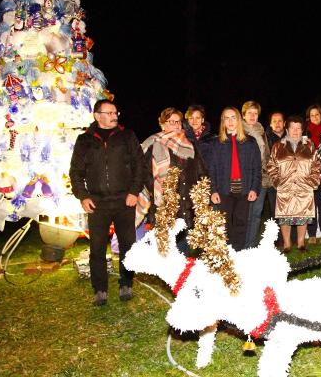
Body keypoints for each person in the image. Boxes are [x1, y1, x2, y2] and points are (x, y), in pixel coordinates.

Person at [69, 99, 146, 306]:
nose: (114, 116)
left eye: (115, 112)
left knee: (128, 245)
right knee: (97, 248)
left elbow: (140, 165)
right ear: (97, 115)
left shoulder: (127, 136)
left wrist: (134, 191)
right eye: (109, 112)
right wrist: (83, 196)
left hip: (124, 201)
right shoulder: (84, 140)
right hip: (97, 203)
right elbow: (76, 172)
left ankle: (126, 283)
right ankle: (100, 289)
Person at [138, 107, 208, 254]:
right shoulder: (152, 144)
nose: (176, 125)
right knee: (166, 250)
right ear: (163, 124)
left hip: (187, 205)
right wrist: (164, 190)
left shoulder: (190, 145)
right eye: (171, 122)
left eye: (178, 122)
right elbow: (144, 176)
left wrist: (201, 194)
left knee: (183, 249)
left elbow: (201, 172)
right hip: (164, 205)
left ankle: (181, 276)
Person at [208, 107, 261, 251]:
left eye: (233, 118)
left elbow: (257, 168)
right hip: (224, 189)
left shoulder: (250, 142)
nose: (230, 121)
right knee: (225, 223)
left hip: (244, 189)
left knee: (241, 221)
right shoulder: (216, 143)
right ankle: (227, 252)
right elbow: (211, 169)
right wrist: (213, 191)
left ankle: (239, 251)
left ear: (239, 120)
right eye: (227, 118)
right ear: (223, 121)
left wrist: (254, 189)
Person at [267, 115, 321, 252]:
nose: (296, 131)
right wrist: (277, 181)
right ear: (287, 129)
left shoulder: (309, 145)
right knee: (285, 217)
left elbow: (316, 165)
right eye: (293, 128)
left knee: (302, 216)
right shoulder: (278, 146)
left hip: (304, 186)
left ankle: (301, 243)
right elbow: (271, 166)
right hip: (285, 186)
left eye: (299, 128)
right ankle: (286, 244)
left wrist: (313, 181)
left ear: (302, 130)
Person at [241, 101, 271, 248]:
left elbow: (266, 155)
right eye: (250, 113)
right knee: (245, 213)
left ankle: (251, 245)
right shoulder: (239, 131)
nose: (253, 116)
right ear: (243, 115)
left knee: (256, 213)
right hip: (245, 179)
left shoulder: (261, 130)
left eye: (255, 113)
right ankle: (241, 244)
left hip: (262, 178)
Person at [305, 104, 321, 244]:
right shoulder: (305, 131)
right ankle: (312, 233)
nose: (315, 117)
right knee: (311, 203)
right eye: (312, 115)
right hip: (309, 173)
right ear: (309, 117)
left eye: (317, 114)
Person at [265, 111, 286, 229]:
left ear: (284, 123)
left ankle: (291, 238)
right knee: (274, 209)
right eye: (274, 121)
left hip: (288, 179)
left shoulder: (290, 137)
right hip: (272, 179)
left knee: (288, 208)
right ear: (270, 124)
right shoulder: (266, 138)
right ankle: (276, 238)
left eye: (280, 121)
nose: (277, 124)